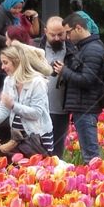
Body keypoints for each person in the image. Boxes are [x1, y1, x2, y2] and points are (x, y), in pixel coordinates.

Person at [0, 43, 53, 157]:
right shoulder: (9, 81)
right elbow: (3, 109)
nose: (2, 67)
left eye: (6, 63)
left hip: (38, 139)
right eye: (2, 63)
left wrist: (13, 105)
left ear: (17, 61)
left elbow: (36, 113)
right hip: (18, 139)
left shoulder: (37, 82)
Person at [54, 13, 104, 162]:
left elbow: (87, 79)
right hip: (82, 106)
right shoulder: (85, 47)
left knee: (91, 156)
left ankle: (97, 181)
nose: (66, 37)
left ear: (78, 28)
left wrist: (64, 71)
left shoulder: (92, 49)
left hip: (86, 107)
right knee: (89, 154)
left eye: (67, 32)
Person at [38, 17, 70, 157]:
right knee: (37, 150)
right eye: (52, 35)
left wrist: (66, 71)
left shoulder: (72, 49)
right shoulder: (35, 47)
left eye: (60, 34)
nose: (57, 38)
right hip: (38, 107)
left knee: (56, 151)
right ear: (45, 31)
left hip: (60, 109)